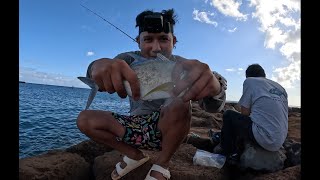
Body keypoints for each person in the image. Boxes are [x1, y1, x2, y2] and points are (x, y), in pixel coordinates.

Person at [77, 8, 227, 180]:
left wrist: (216, 87)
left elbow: (213, 107)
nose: (156, 48)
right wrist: (94, 67)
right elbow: (103, 70)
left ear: (174, 41)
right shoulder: (127, 59)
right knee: (84, 119)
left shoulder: (184, 66)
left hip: (168, 135)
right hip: (134, 128)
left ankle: (162, 164)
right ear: (138, 41)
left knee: (179, 102)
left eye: (163, 39)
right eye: (148, 39)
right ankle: (134, 156)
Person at [214, 64, 288, 165]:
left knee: (228, 115)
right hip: (280, 139)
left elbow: (245, 113)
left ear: (248, 76)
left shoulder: (250, 81)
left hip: (265, 138)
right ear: (264, 75)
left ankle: (227, 153)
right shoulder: (281, 88)